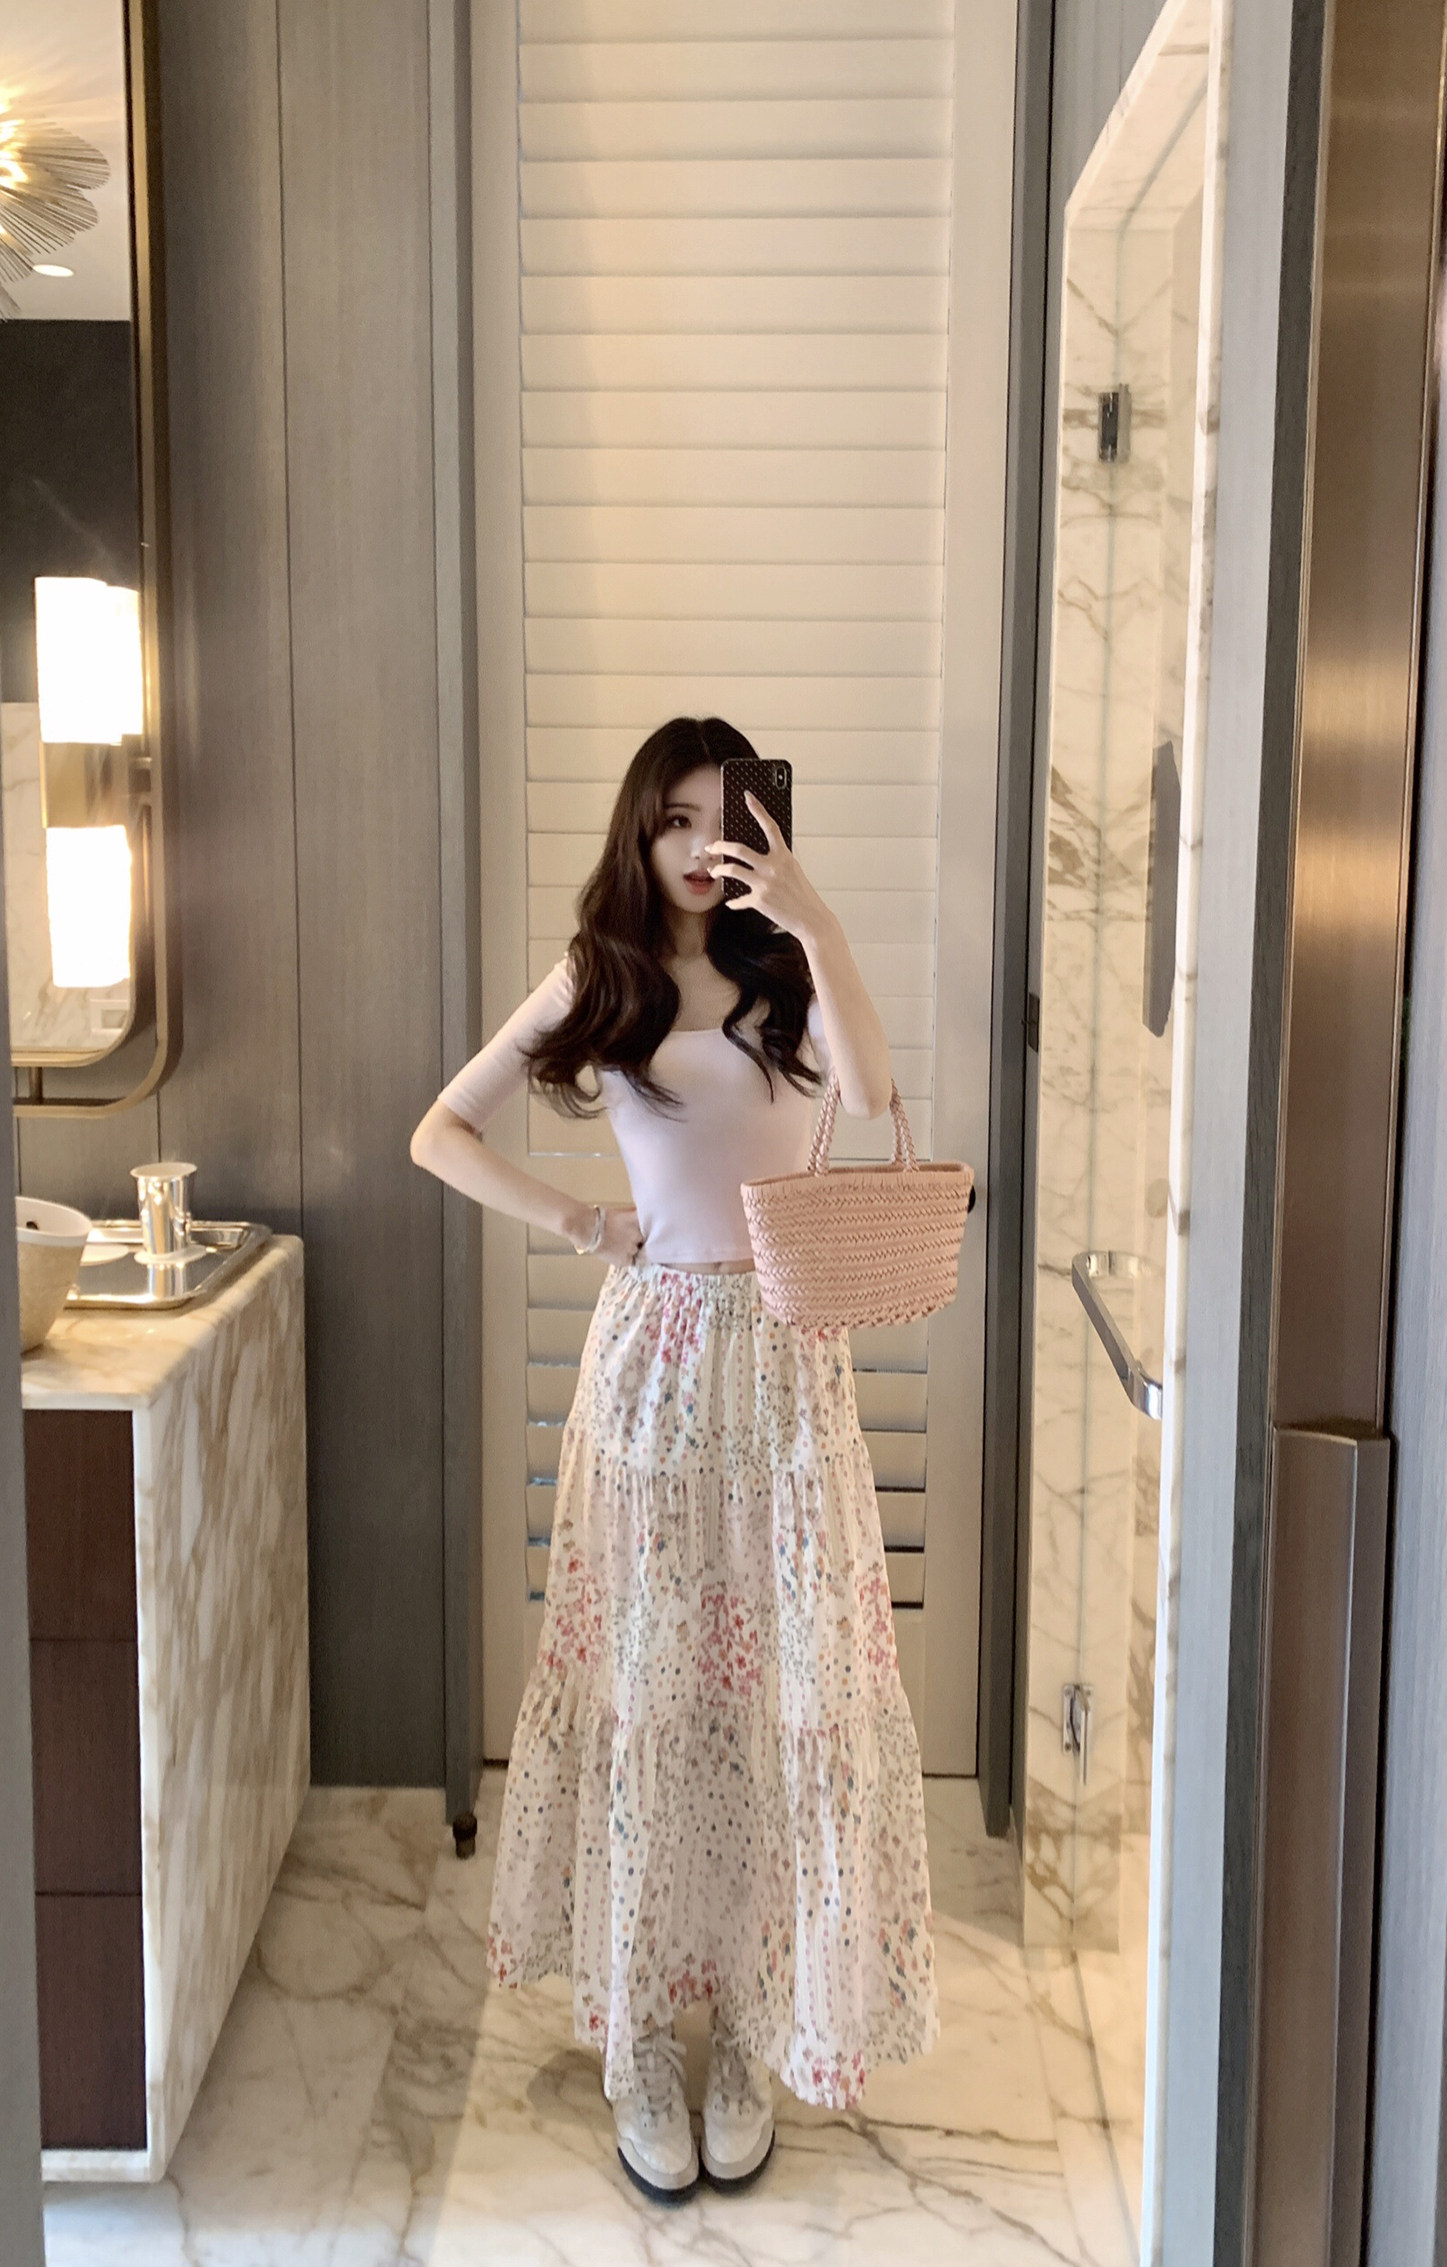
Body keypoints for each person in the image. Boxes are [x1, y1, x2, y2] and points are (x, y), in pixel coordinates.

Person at [410, 715, 937, 2203]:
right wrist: (583, 1223)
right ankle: (640, 2033)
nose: (706, 845)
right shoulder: (604, 976)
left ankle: (751, 2023)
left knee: (779, 1696)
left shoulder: (789, 975)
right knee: (649, 1692)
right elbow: (440, 1132)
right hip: (652, 1368)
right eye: (678, 819)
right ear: (638, 833)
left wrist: (815, 916)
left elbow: (874, 1099)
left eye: (731, 817)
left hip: (789, 1371)